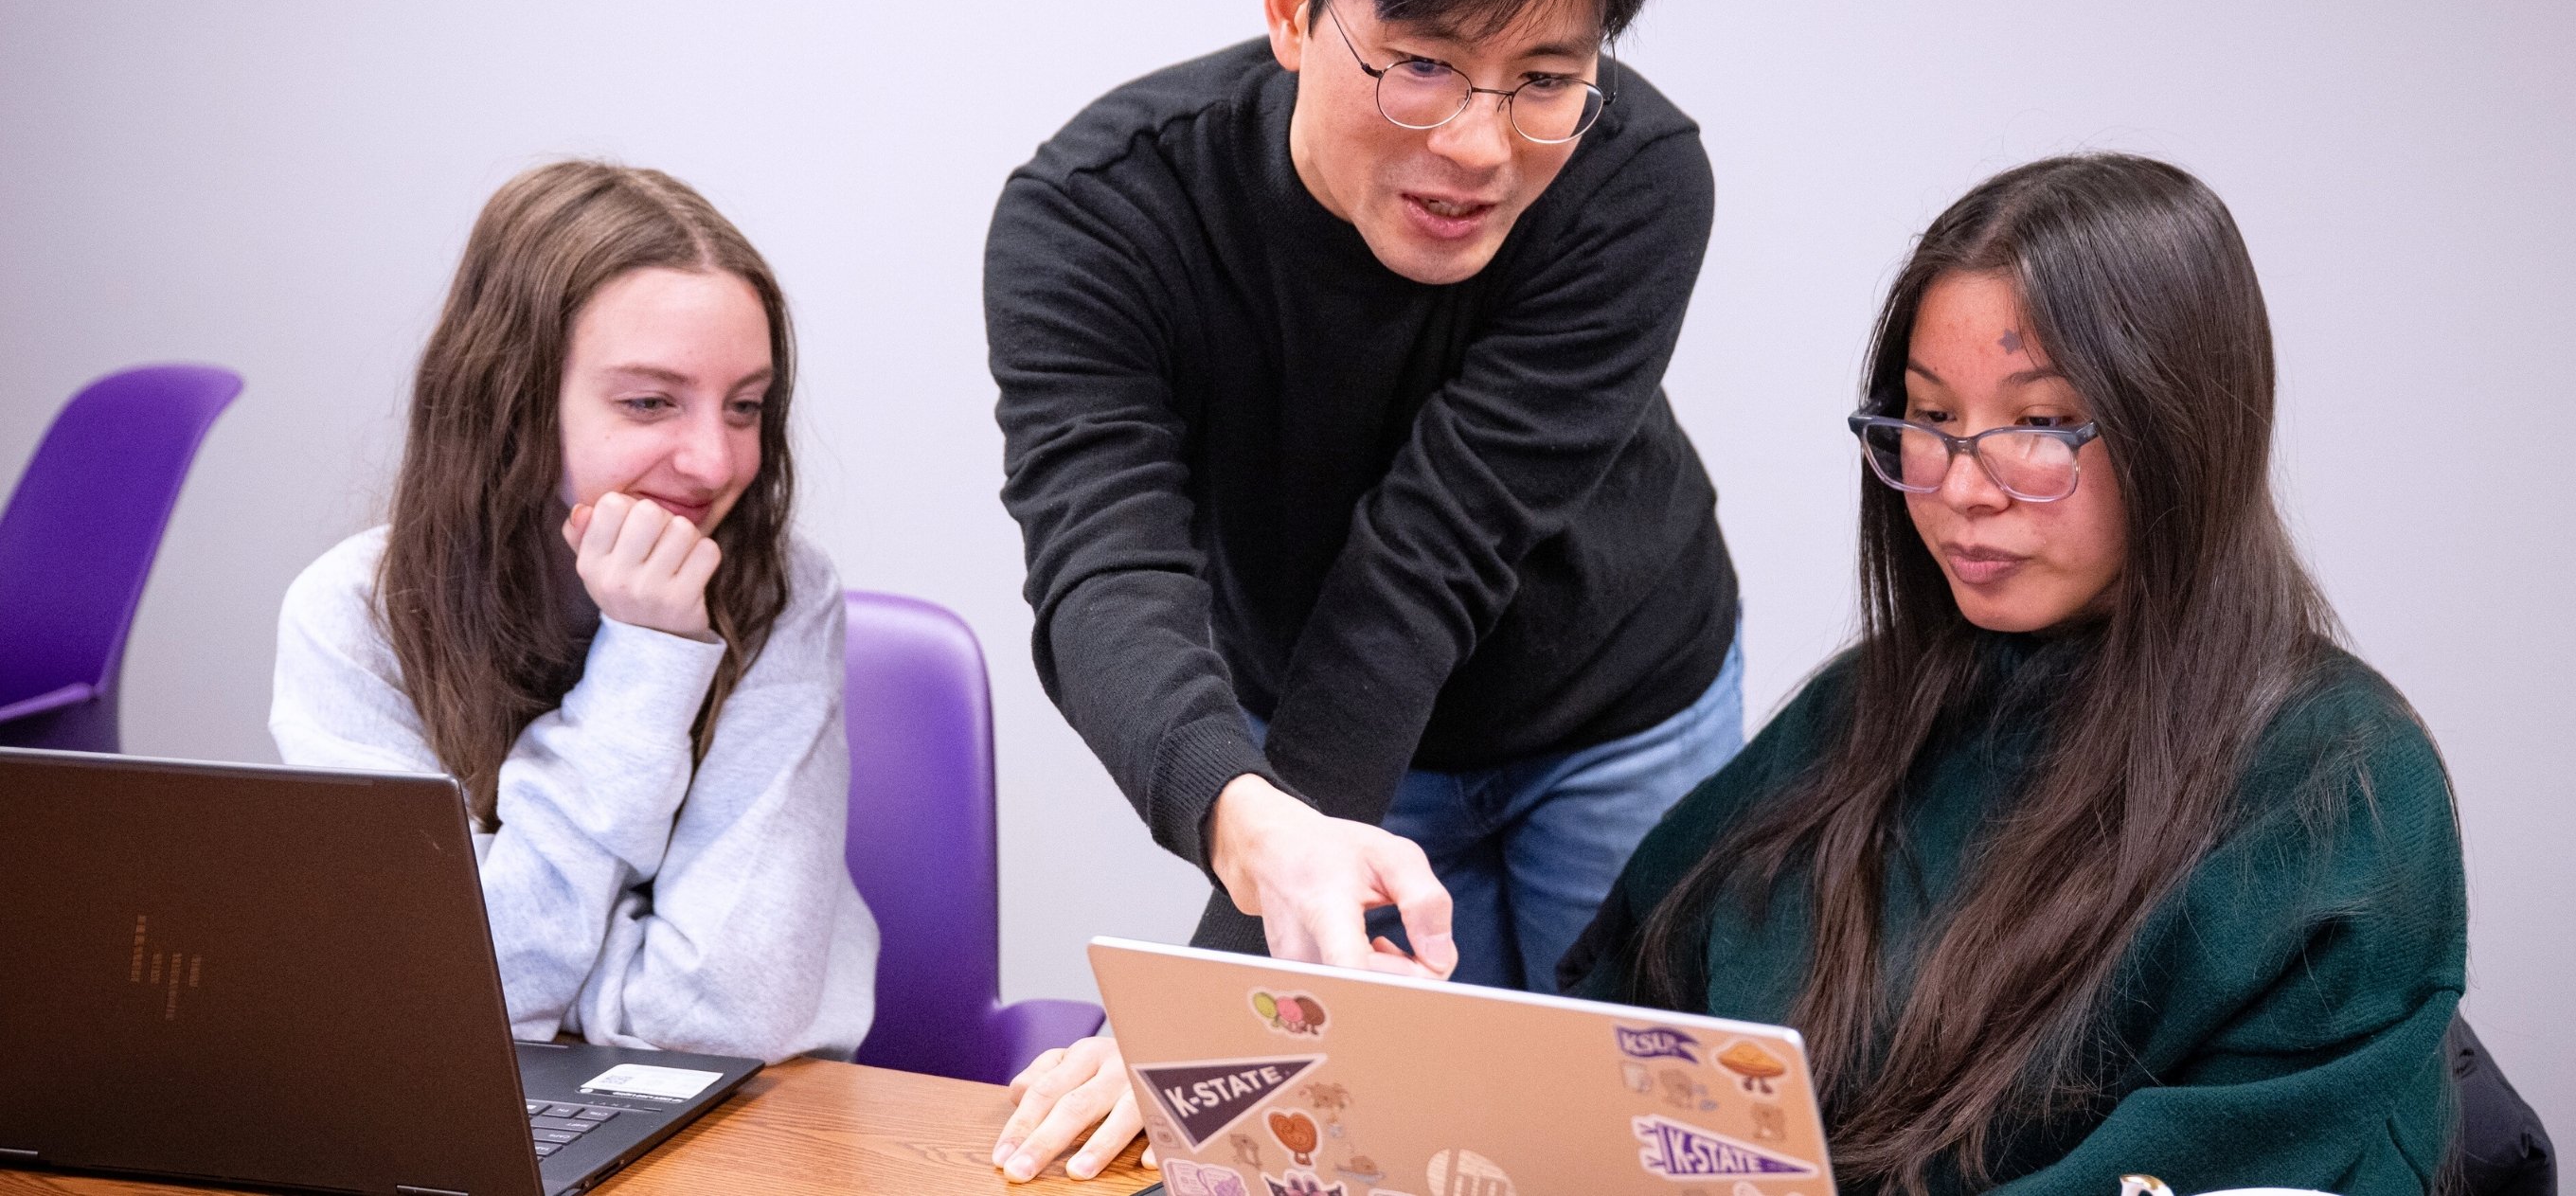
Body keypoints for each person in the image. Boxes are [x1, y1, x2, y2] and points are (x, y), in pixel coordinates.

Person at [999, 153, 2467, 1193]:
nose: (1956, 488)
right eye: (1923, 421)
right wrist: (1271, 1057)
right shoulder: (1874, 711)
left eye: (2034, 425)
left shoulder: (2343, 795)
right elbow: (1611, 1040)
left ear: (2181, 427)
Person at [985, 0, 1742, 1017]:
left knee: (1603, 1133)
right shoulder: (1097, 218)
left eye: (1546, 79)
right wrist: (1251, 857)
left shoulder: (1635, 180)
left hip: (1620, 706)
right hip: (1320, 737)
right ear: (1293, 2)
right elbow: (1108, 568)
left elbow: (1428, 556)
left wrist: (1211, 990)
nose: (1478, 144)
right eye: (1424, 63)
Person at [270, 160, 876, 1062]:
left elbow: (729, 1015)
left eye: (745, 406)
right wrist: (644, 665)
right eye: (649, 402)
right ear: (510, 399)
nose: (714, 463)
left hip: (733, 1132)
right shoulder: (354, 614)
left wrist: (659, 647)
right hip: (459, 1113)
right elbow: (450, 999)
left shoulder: (782, 593)